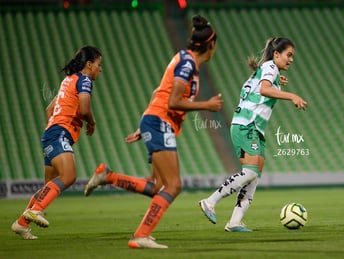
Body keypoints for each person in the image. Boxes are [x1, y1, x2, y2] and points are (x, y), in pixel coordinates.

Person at [83, 15, 223, 249]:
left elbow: (158, 91)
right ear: (211, 45)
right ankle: (141, 235)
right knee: (173, 185)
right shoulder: (187, 64)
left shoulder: (185, 61)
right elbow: (173, 101)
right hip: (160, 121)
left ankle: (107, 176)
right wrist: (206, 106)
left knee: (157, 186)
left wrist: (144, 124)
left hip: (155, 120)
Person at [199, 37, 308, 232]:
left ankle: (235, 222)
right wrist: (292, 95)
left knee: (254, 176)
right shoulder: (270, 68)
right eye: (288, 55)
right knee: (250, 172)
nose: (291, 59)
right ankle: (210, 201)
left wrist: (277, 82)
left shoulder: (267, 70)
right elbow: (264, 90)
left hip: (254, 128)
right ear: (276, 54)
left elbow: (261, 88)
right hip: (246, 125)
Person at [11, 46, 103, 240]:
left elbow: (49, 110)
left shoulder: (68, 80)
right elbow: (85, 108)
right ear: (89, 64)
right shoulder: (84, 80)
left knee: (49, 186)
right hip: (58, 134)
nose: (100, 69)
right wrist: (92, 123)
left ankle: (21, 223)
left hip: (51, 133)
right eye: (98, 64)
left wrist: (54, 129)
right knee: (69, 176)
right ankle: (35, 211)